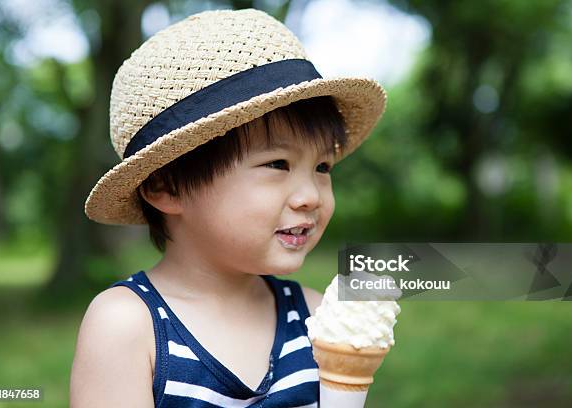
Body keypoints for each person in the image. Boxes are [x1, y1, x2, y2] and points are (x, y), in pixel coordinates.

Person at [70, 8, 386, 407]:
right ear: (165, 186)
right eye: (277, 164)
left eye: (322, 167)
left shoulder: (316, 318)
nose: (311, 195)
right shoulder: (128, 325)